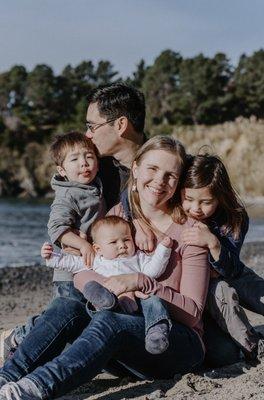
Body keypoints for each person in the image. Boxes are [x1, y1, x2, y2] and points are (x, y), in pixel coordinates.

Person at [0, 136, 210, 400]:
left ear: (178, 182)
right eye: (152, 169)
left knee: (111, 321)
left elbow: (192, 314)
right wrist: (107, 289)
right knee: (68, 307)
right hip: (126, 342)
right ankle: (6, 377)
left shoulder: (191, 233)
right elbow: (85, 270)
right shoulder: (118, 216)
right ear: (135, 169)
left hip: (176, 344)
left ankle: (33, 389)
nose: (159, 181)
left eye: (170, 175)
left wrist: (140, 282)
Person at [0, 83, 146, 360]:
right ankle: (21, 338)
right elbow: (63, 212)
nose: (88, 136)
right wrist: (78, 240)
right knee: (70, 310)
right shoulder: (95, 167)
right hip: (87, 263)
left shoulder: (154, 164)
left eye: (92, 126)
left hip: (124, 263)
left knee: (83, 314)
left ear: (121, 124)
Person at [42, 215, 173, 354]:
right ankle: (105, 301)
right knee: (95, 289)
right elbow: (71, 263)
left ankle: (156, 331)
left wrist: (163, 249)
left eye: (127, 239)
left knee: (154, 301)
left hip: (138, 301)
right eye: (113, 242)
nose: (122, 245)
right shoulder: (97, 260)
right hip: (112, 304)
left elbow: (153, 271)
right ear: (98, 248)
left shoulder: (138, 257)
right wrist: (52, 257)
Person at [180, 154, 264, 363]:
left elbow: (230, 268)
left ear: (220, 197)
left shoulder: (234, 217)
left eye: (206, 201)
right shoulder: (178, 216)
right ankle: (254, 346)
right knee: (224, 293)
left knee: (260, 294)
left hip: (231, 269)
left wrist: (213, 243)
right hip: (203, 283)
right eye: (188, 199)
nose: (195, 208)